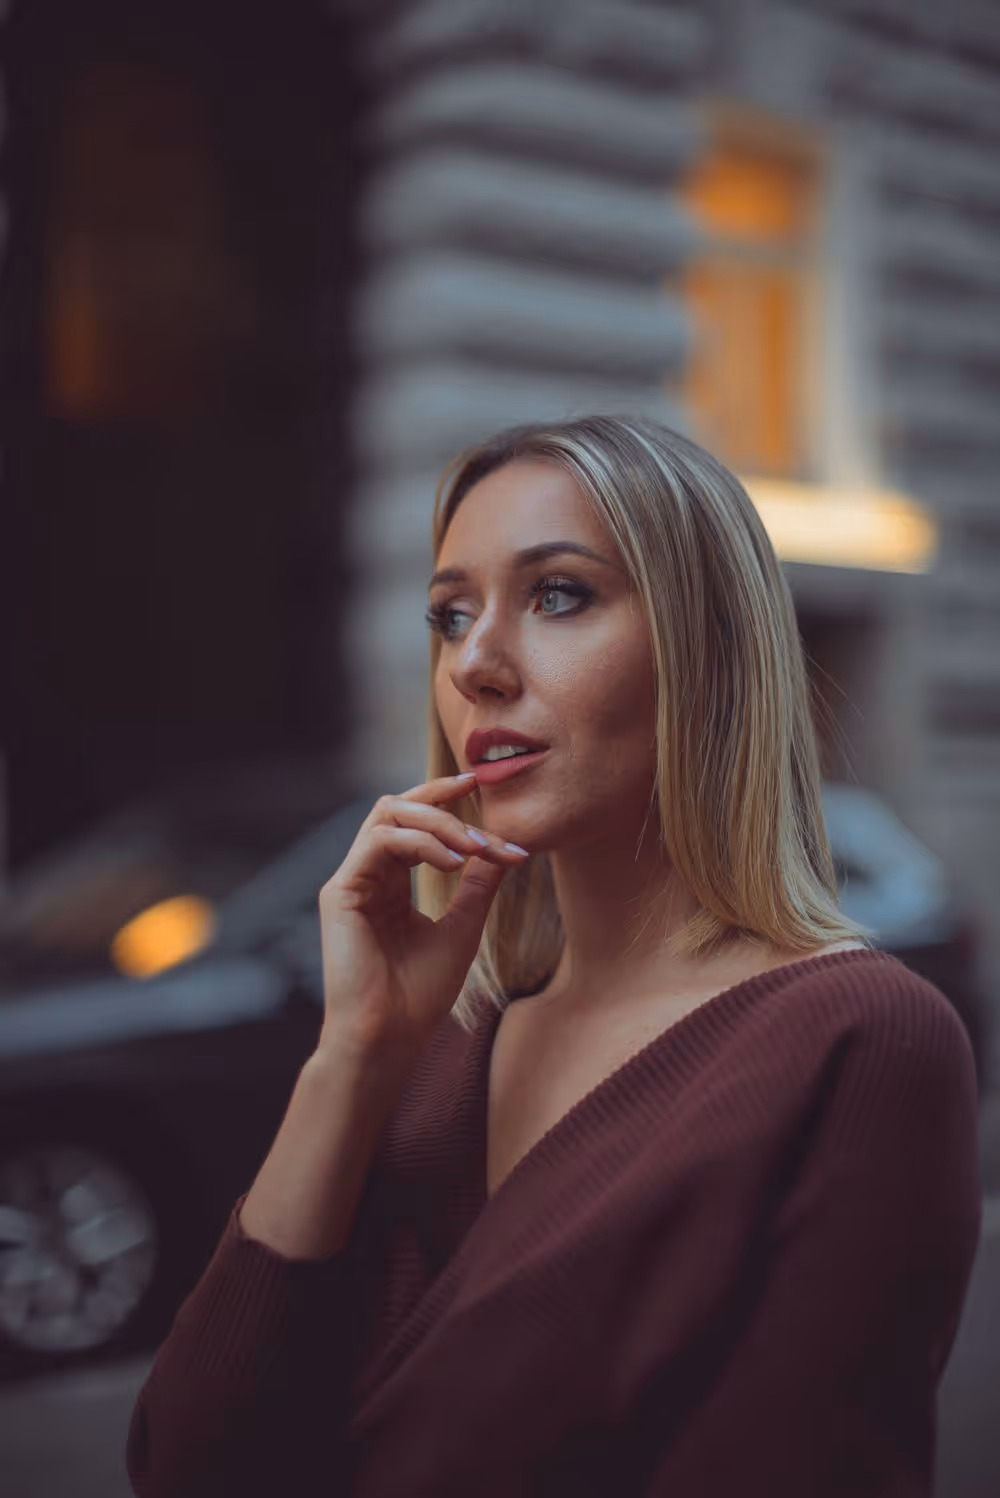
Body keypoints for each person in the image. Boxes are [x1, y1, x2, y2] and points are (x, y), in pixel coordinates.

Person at [125, 415, 982, 1497]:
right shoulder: (438, 1051)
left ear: (708, 650)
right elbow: (185, 1462)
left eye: (559, 595)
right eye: (451, 615)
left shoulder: (859, 1041)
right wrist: (353, 1057)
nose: (475, 664)